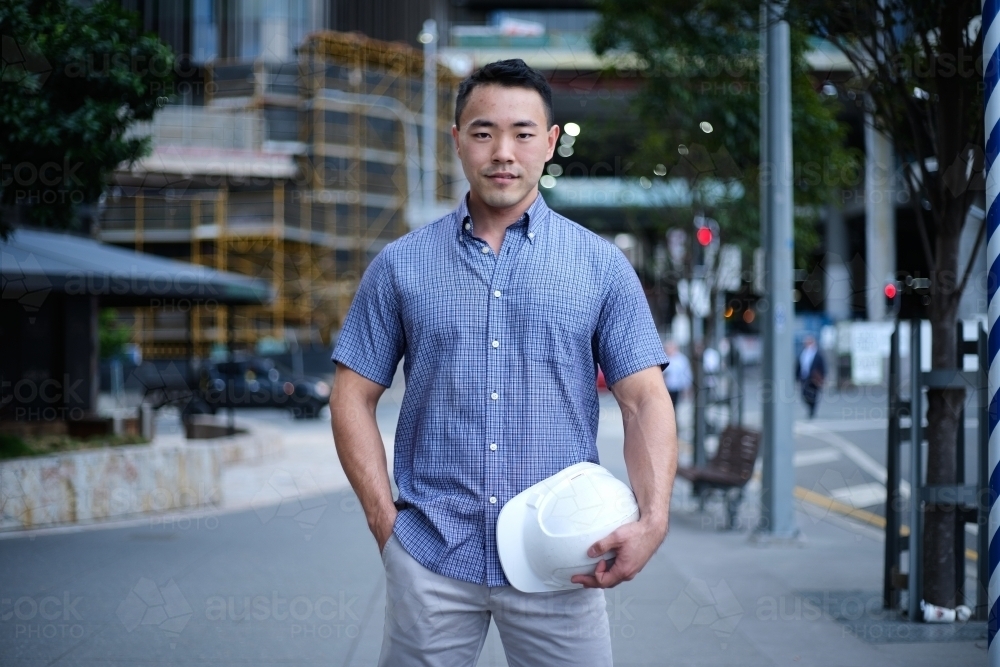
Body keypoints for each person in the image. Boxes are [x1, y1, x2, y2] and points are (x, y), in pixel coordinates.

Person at [330, 59, 677, 667]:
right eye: (484, 131)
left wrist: (654, 521)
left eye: (522, 133)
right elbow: (349, 395)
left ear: (549, 143)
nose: (503, 152)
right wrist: (387, 528)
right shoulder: (401, 265)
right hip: (430, 558)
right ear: (458, 140)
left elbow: (643, 398)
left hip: (564, 561)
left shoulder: (599, 265)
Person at [796, 335, 826, 419]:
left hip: (814, 378)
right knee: (804, 395)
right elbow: (799, 366)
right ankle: (810, 408)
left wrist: (822, 377)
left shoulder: (818, 354)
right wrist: (797, 376)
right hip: (804, 378)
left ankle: (812, 410)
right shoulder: (803, 353)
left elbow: (823, 366)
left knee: (813, 395)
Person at [663, 341, 692, 407]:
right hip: (666, 387)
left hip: (677, 387)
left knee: (675, 406)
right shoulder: (665, 358)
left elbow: (686, 374)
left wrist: (687, 387)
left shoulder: (681, 359)